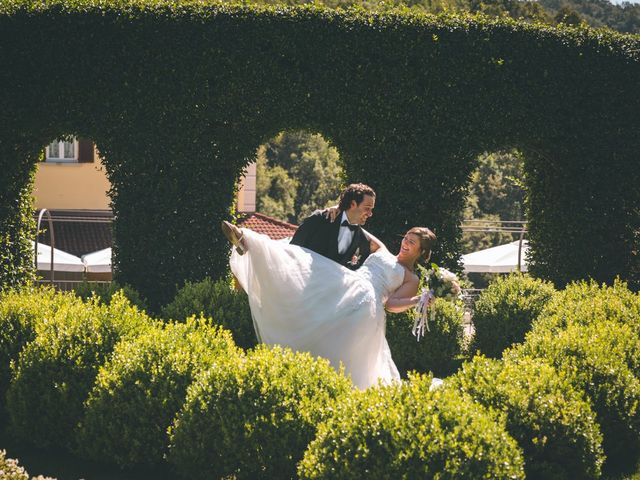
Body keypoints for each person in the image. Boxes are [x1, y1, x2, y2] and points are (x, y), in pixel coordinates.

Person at [222, 219, 437, 390]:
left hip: (367, 303)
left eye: (412, 242)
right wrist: (336, 211)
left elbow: (391, 304)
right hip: (346, 282)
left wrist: (418, 299)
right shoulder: (382, 249)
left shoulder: (411, 278)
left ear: (421, 252)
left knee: (339, 347)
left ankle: (334, 388)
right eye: (406, 238)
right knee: (301, 263)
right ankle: (249, 242)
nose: (405, 243)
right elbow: (354, 226)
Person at [289, 183, 376, 270]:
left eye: (371, 209)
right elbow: (292, 250)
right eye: (367, 208)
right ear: (353, 204)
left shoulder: (363, 241)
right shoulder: (319, 219)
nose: (370, 214)